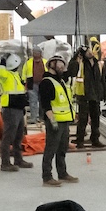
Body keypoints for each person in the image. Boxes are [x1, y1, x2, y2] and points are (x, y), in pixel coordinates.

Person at [38, 54, 79, 187]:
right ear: (51, 65)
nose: (62, 66)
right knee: (51, 149)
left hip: (65, 120)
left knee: (62, 148)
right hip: (55, 121)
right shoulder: (47, 82)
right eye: (59, 64)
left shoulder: (60, 81)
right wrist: (52, 120)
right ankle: (47, 176)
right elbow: (46, 104)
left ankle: (62, 173)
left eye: (63, 64)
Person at [0, 48, 33, 172]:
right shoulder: (4, 74)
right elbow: (0, 73)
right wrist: (2, 63)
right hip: (10, 109)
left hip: (18, 108)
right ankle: (5, 163)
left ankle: (18, 159)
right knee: (8, 137)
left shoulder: (15, 75)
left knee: (18, 136)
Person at [71, 41, 106, 149]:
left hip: (95, 95)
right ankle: (80, 140)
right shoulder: (80, 63)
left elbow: (103, 80)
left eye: (89, 50)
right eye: (87, 51)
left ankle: (95, 139)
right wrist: (76, 57)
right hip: (83, 95)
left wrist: (105, 93)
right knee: (82, 119)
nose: (90, 52)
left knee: (95, 118)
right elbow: (72, 70)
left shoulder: (99, 64)